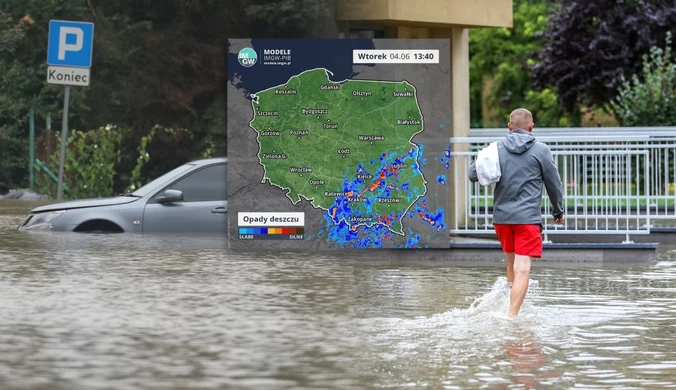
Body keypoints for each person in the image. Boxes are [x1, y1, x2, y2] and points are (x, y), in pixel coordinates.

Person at [468, 108, 564, 317]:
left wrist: (489, 156)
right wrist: (558, 211)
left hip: (501, 219)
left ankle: (512, 306)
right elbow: (553, 184)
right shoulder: (541, 150)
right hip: (527, 219)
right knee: (523, 268)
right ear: (531, 127)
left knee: (511, 264)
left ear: (509, 127)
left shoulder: (496, 149)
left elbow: (472, 174)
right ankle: (511, 316)